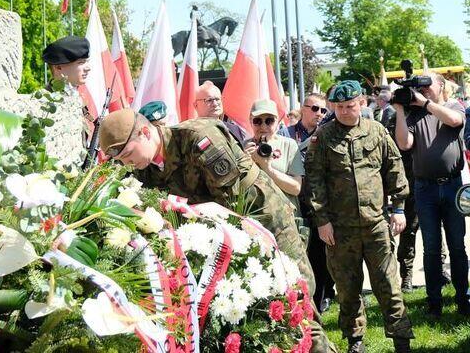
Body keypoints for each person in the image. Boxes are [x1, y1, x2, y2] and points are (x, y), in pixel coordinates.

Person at [97, 108, 337, 353]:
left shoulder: (199, 138)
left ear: (145, 132)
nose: (126, 163)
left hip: (263, 221)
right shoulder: (144, 168)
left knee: (297, 302)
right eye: (121, 160)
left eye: (128, 154)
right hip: (219, 237)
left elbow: (232, 201)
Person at [305, 80, 413, 353]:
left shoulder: (376, 131)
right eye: (339, 107)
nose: (344, 111)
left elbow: (394, 169)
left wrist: (399, 208)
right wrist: (322, 221)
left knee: (388, 284)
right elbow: (315, 181)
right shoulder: (323, 137)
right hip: (340, 229)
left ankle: (401, 339)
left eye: (350, 106)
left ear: (361, 103)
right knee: (348, 289)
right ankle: (355, 341)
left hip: (376, 224)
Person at [393, 73, 470, 316]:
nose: (424, 89)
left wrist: (425, 102)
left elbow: (455, 121)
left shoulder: (453, 106)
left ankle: (463, 299)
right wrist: (400, 110)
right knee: (431, 247)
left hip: (452, 185)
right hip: (425, 188)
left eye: (428, 85)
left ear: (441, 86)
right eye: (421, 87)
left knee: (457, 245)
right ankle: (434, 302)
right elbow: (404, 144)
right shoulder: (414, 114)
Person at [282, 92, 336, 310]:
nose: (319, 113)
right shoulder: (286, 134)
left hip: (320, 204)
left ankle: (320, 299)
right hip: (294, 203)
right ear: (302, 109)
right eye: (314, 108)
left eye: (323, 110)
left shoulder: (328, 135)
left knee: (320, 255)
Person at [247, 98, 304, 210]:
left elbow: (296, 188)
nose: (263, 127)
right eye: (257, 121)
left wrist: (267, 168)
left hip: (284, 215)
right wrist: (244, 160)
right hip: (253, 214)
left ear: (277, 121)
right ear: (250, 121)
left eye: (269, 121)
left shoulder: (289, 145)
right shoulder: (244, 147)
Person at [42, 36, 94, 145]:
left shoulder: (74, 97)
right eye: (81, 63)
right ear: (58, 68)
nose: (88, 68)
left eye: (86, 62)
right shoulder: (46, 102)